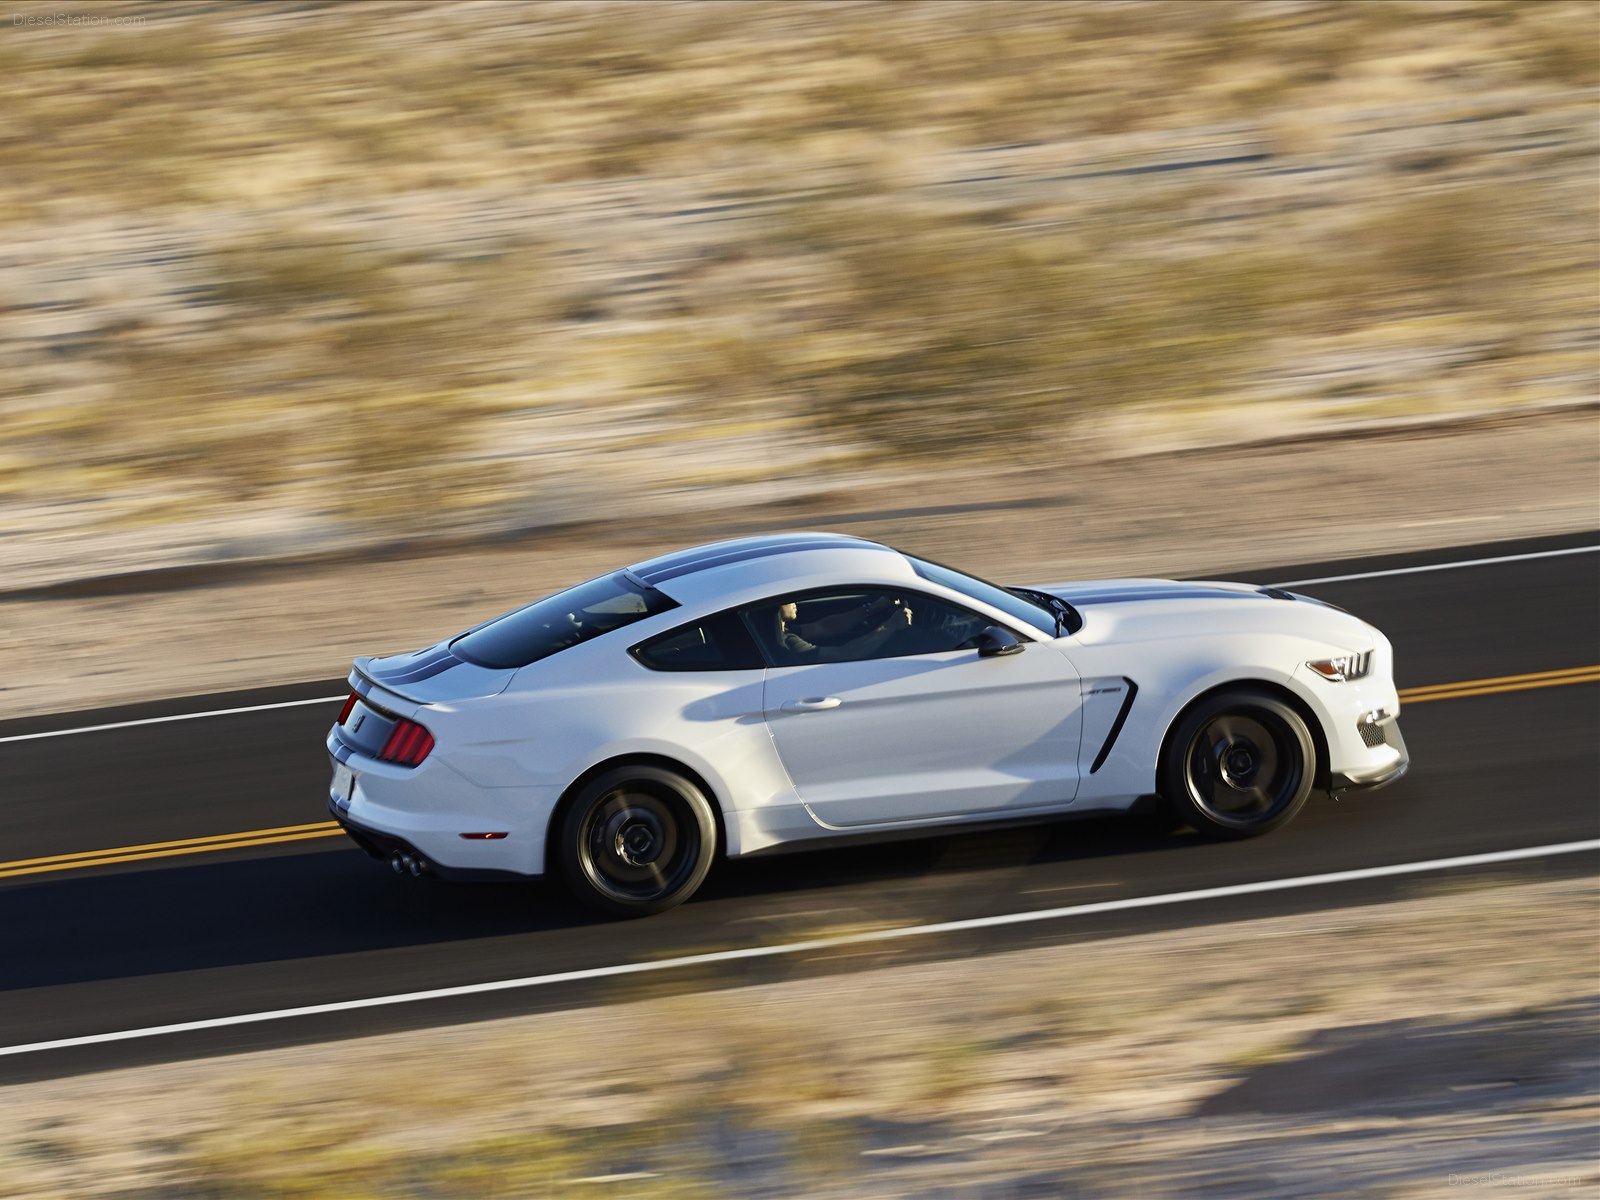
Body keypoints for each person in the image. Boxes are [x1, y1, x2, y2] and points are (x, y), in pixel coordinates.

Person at [775, 595, 912, 663]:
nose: (795, 602)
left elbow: (825, 627)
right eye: (787, 598)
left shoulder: (782, 631)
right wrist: (891, 625)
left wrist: (873, 608)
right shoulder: (785, 643)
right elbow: (844, 654)